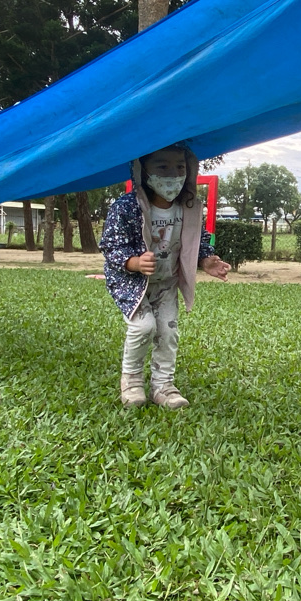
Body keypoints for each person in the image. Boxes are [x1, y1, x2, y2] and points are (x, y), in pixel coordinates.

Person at [100, 143, 231, 409]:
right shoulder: (127, 207)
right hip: (132, 283)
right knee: (143, 327)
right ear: (143, 170)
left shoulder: (189, 207)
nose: (173, 174)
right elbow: (111, 246)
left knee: (168, 333)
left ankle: (163, 386)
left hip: (166, 282)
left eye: (180, 167)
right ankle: (132, 382)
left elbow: (196, 238)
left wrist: (206, 260)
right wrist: (134, 262)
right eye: (162, 166)